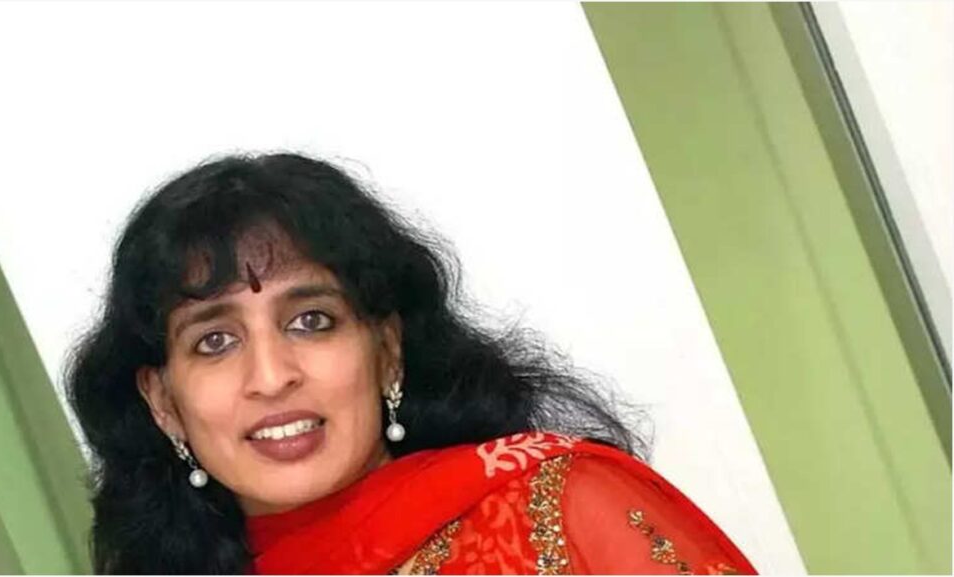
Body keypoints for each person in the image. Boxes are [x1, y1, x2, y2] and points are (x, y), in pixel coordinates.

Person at [65, 152, 757, 575]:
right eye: (215, 340)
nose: (272, 376)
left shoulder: (561, 506)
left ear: (387, 351)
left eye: (312, 321)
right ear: (163, 402)